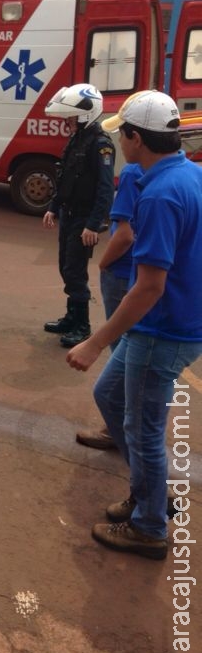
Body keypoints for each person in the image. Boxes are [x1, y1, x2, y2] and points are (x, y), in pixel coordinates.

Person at [66, 90, 202, 560]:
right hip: (172, 324)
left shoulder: (159, 194)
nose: (119, 143)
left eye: (122, 134)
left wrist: (93, 342)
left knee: (143, 430)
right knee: (109, 396)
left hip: (164, 330)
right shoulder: (189, 173)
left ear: (135, 139)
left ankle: (148, 526)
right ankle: (149, 490)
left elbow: (147, 288)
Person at [75, 160, 143, 451]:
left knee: (122, 356)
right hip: (138, 272)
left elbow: (125, 235)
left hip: (121, 273)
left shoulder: (133, 172)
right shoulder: (177, 172)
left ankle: (117, 431)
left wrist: (103, 264)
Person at [42, 83, 115, 348]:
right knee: (66, 266)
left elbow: (106, 190)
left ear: (86, 113)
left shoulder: (100, 145)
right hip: (69, 215)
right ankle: (72, 317)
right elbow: (67, 179)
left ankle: (82, 326)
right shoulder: (77, 139)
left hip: (85, 220)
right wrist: (53, 206)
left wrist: (94, 224)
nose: (67, 121)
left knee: (75, 272)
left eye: (71, 116)